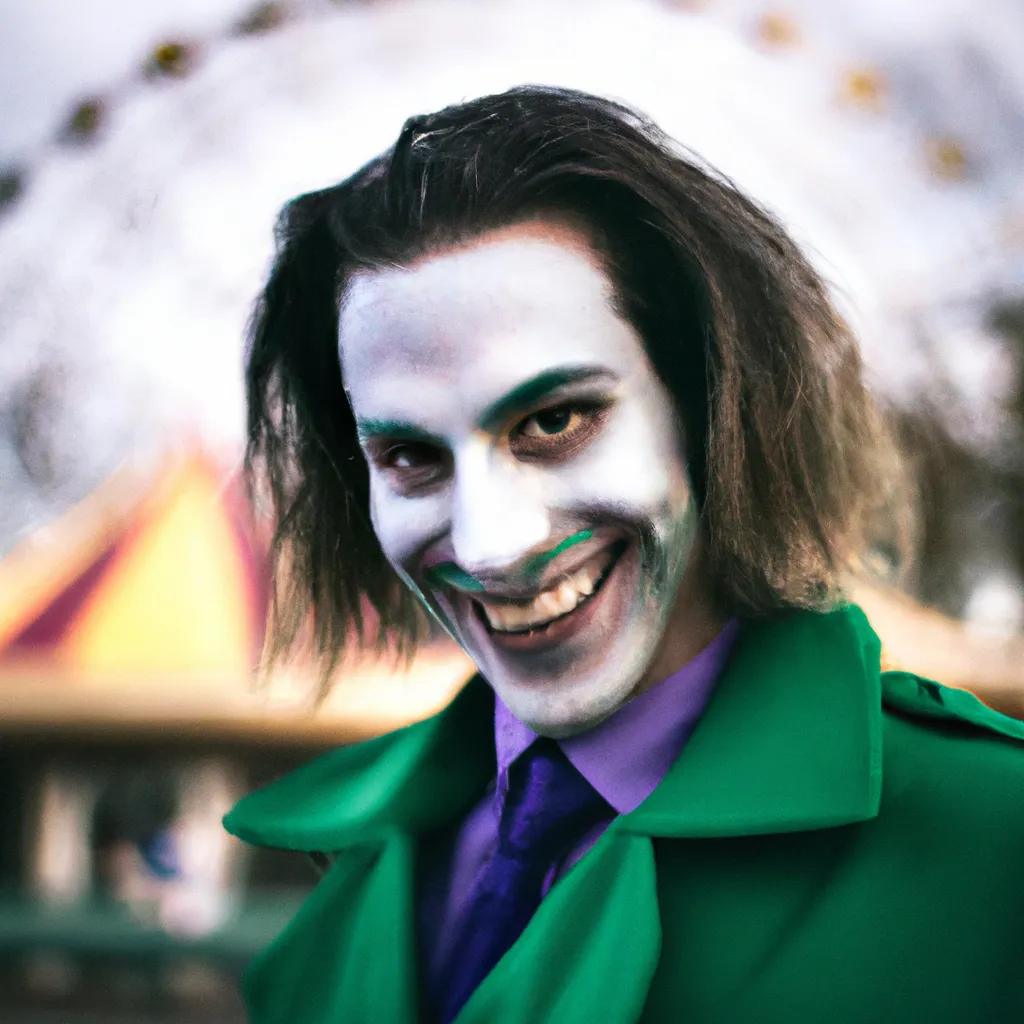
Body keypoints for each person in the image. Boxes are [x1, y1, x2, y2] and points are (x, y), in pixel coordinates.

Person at [223, 86, 1024, 1023]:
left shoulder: (996, 842)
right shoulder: (371, 860)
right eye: (410, 456)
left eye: (554, 420)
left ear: (710, 404)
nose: (491, 547)